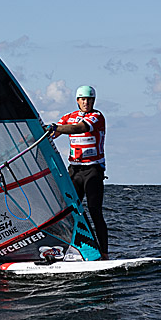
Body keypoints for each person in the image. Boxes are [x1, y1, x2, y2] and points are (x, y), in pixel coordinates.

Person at [48, 86, 108, 259]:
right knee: (66, 211)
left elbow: (78, 129)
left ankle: (104, 253)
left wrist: (54, 128)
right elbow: (52, 133)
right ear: (77, 100)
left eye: (89, 100)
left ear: (93, 101)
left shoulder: (97, 117)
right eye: (82, 99)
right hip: (74, 171)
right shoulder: (69, 117)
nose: (86, 102)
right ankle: (65, 249)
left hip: (93, 171)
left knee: (94, 210)